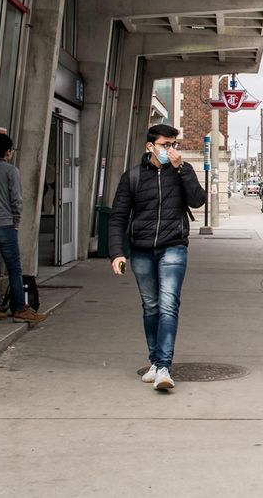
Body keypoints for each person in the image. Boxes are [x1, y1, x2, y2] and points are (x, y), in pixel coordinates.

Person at [107, 124, 207, 391]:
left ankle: (164, 367)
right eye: (165, 145)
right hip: (140, 250)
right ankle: (154, 361)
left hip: (173, 246)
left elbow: (198, 200)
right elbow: (117, 217)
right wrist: (117, 252)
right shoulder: (133, 177)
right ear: (150, 146)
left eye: (174, 144)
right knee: (150, 306)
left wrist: (183, 169)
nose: (170, 150)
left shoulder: (181, 173)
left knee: (167, 305)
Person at [0, 131, 47, 323]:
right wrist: (15, 222)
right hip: (5, 224)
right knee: (14, 269)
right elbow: (16, 200)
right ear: (8, 152)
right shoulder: (11, 171)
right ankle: (20, 309)